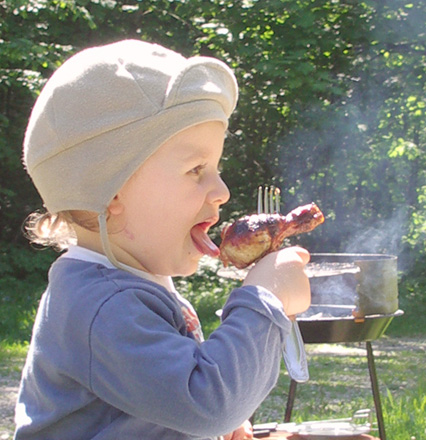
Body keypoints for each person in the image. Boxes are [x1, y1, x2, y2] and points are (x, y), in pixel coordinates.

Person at [15, 39, 311, 440]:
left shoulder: (128, 284)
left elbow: (172, 402)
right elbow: (206, 402)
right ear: (112, 191)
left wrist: (212, 427)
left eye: (216, 168)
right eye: (196, 169)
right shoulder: (102, 304)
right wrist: (265, 301)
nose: (221, 190)